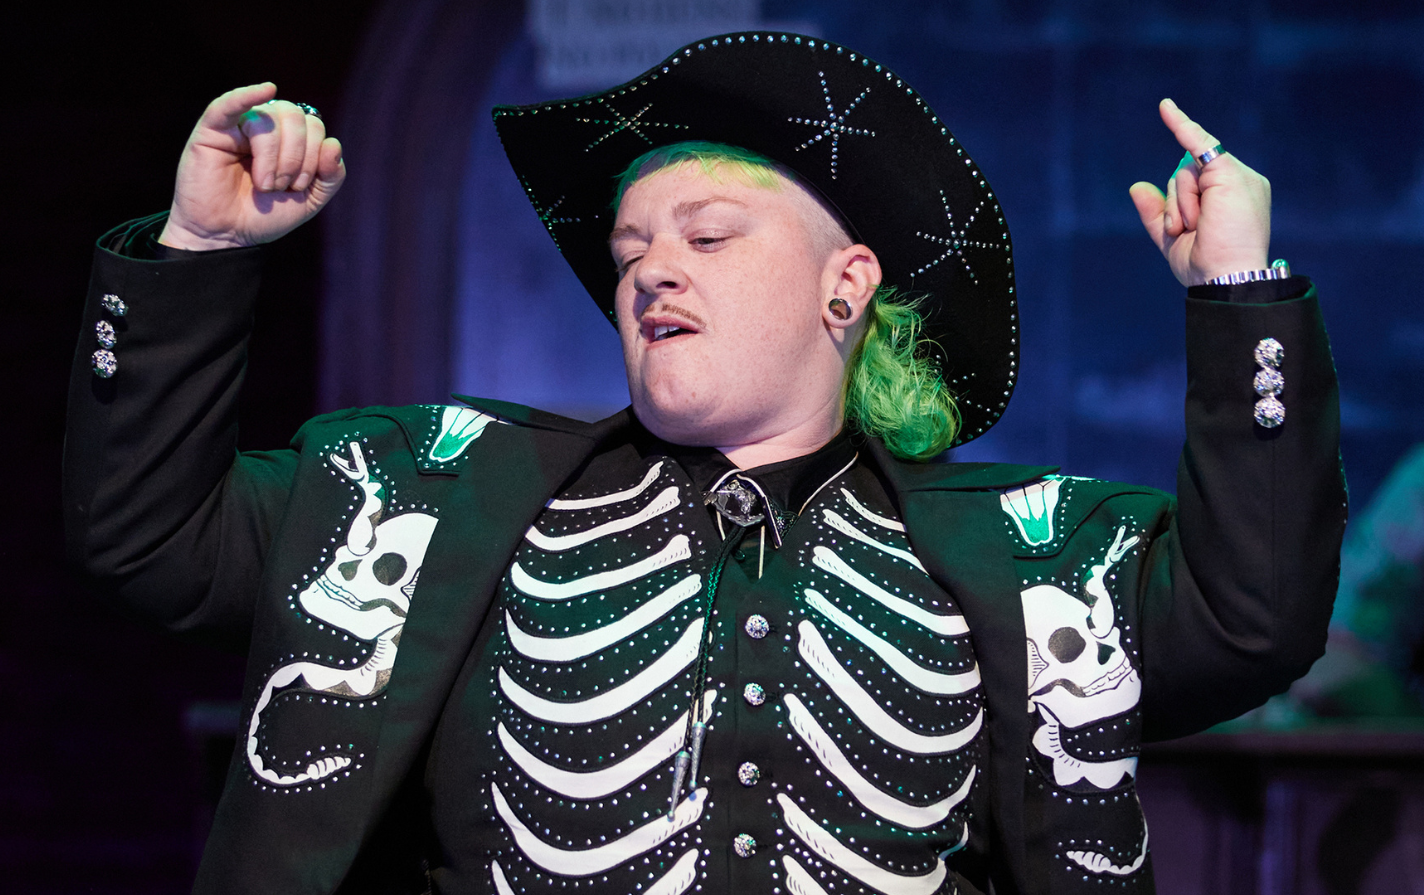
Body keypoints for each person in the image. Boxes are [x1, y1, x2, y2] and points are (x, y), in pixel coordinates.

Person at [65, 33, 1345, 895]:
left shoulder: (1027, 553)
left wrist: (1238, 293)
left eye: (708, 234)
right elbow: (148, 539)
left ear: (847, 284)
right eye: (628, 251)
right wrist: (196, 251)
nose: (650, 271)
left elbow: (1251, 617)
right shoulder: (427, 492)